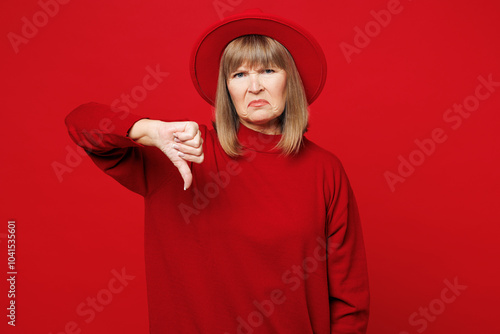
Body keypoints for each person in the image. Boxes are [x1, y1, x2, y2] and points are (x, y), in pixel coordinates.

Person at [65, 9, 370, 334]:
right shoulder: (183, 151)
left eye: (267, 70)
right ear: (226, 89)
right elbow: (80, 121)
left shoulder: (324, 169)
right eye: (238, 74)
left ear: (289, 80)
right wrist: (147, 130)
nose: (254, 86)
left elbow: (349, 301)